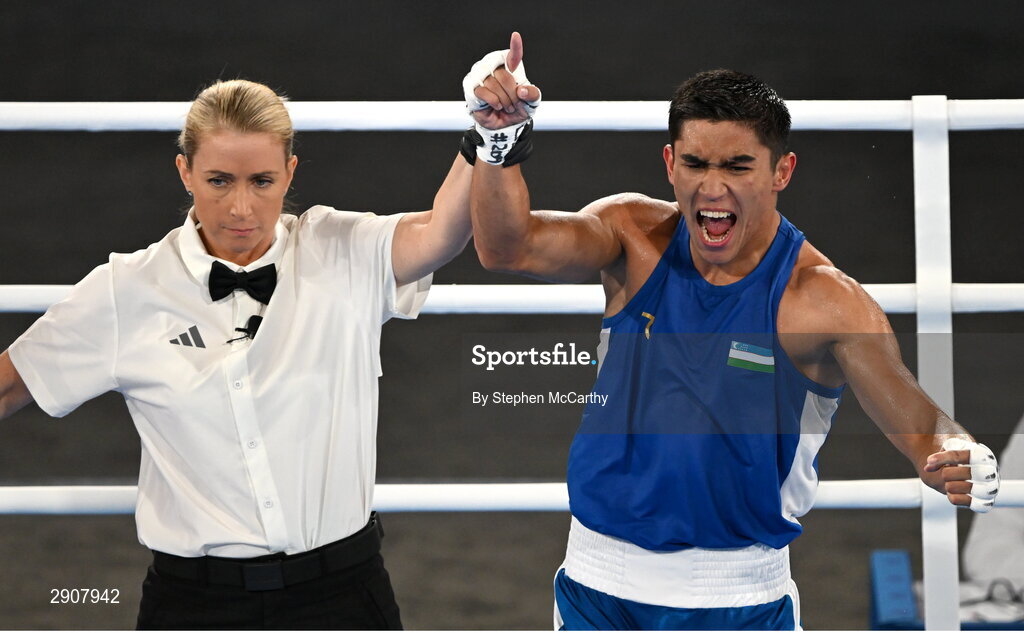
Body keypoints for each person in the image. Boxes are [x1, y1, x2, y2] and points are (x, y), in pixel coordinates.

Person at [462, 34, 1001, 630]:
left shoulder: (821, 301)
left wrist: (958, 453)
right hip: (597, 592)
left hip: (738, 602)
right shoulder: (631, 237)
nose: (712, 188)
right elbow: (506, 247)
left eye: (738, 166)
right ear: (670, 163)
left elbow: (924, 427)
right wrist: (497, 140)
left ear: (781, 171)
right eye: (695, 163)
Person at [0, 74, 482, 629]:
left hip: (344, 598)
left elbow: (442, 232)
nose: (241, 208)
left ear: (290, 174)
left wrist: (487, 135)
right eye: (219, 180)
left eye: (261, 181)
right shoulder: (125, 289)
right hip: (194, 607)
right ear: (184, 172)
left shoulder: (339, 249)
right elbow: (10, 384)